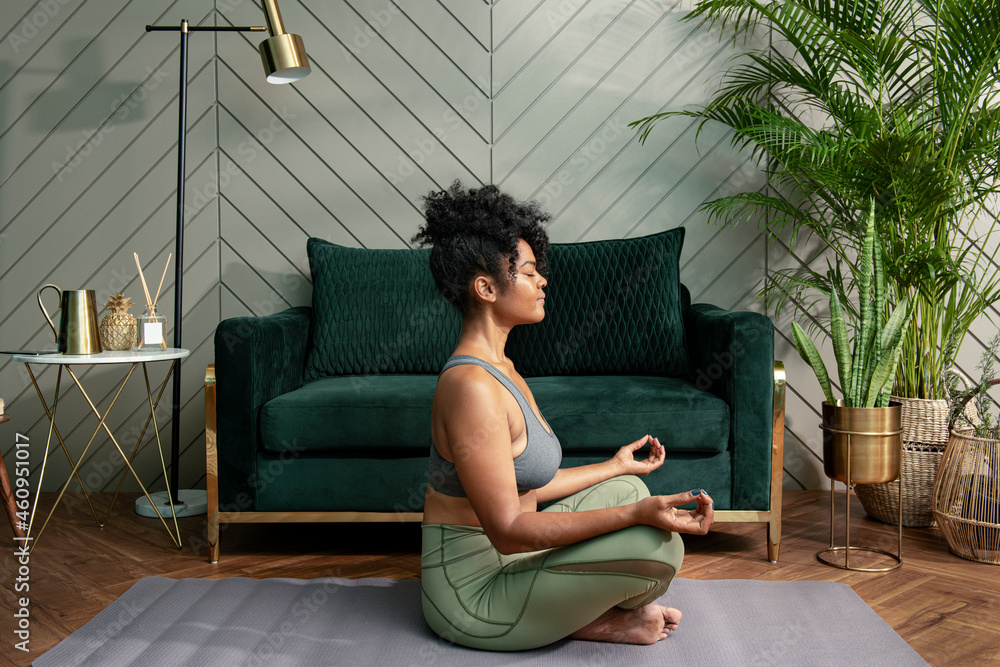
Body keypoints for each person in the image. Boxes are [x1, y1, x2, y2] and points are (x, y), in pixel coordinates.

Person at [414, 181, 713, 652]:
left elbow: (522, 487)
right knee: (656, 547)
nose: (543, 281)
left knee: (629, 487)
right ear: (486, 287)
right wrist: (633, 516)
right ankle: (596, 622)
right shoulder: (471, 387)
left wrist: (615, 467)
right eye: (529, 273)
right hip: (472, 595)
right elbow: (509, 531)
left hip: (509, 564)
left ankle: (566, 614)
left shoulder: (502, 368)